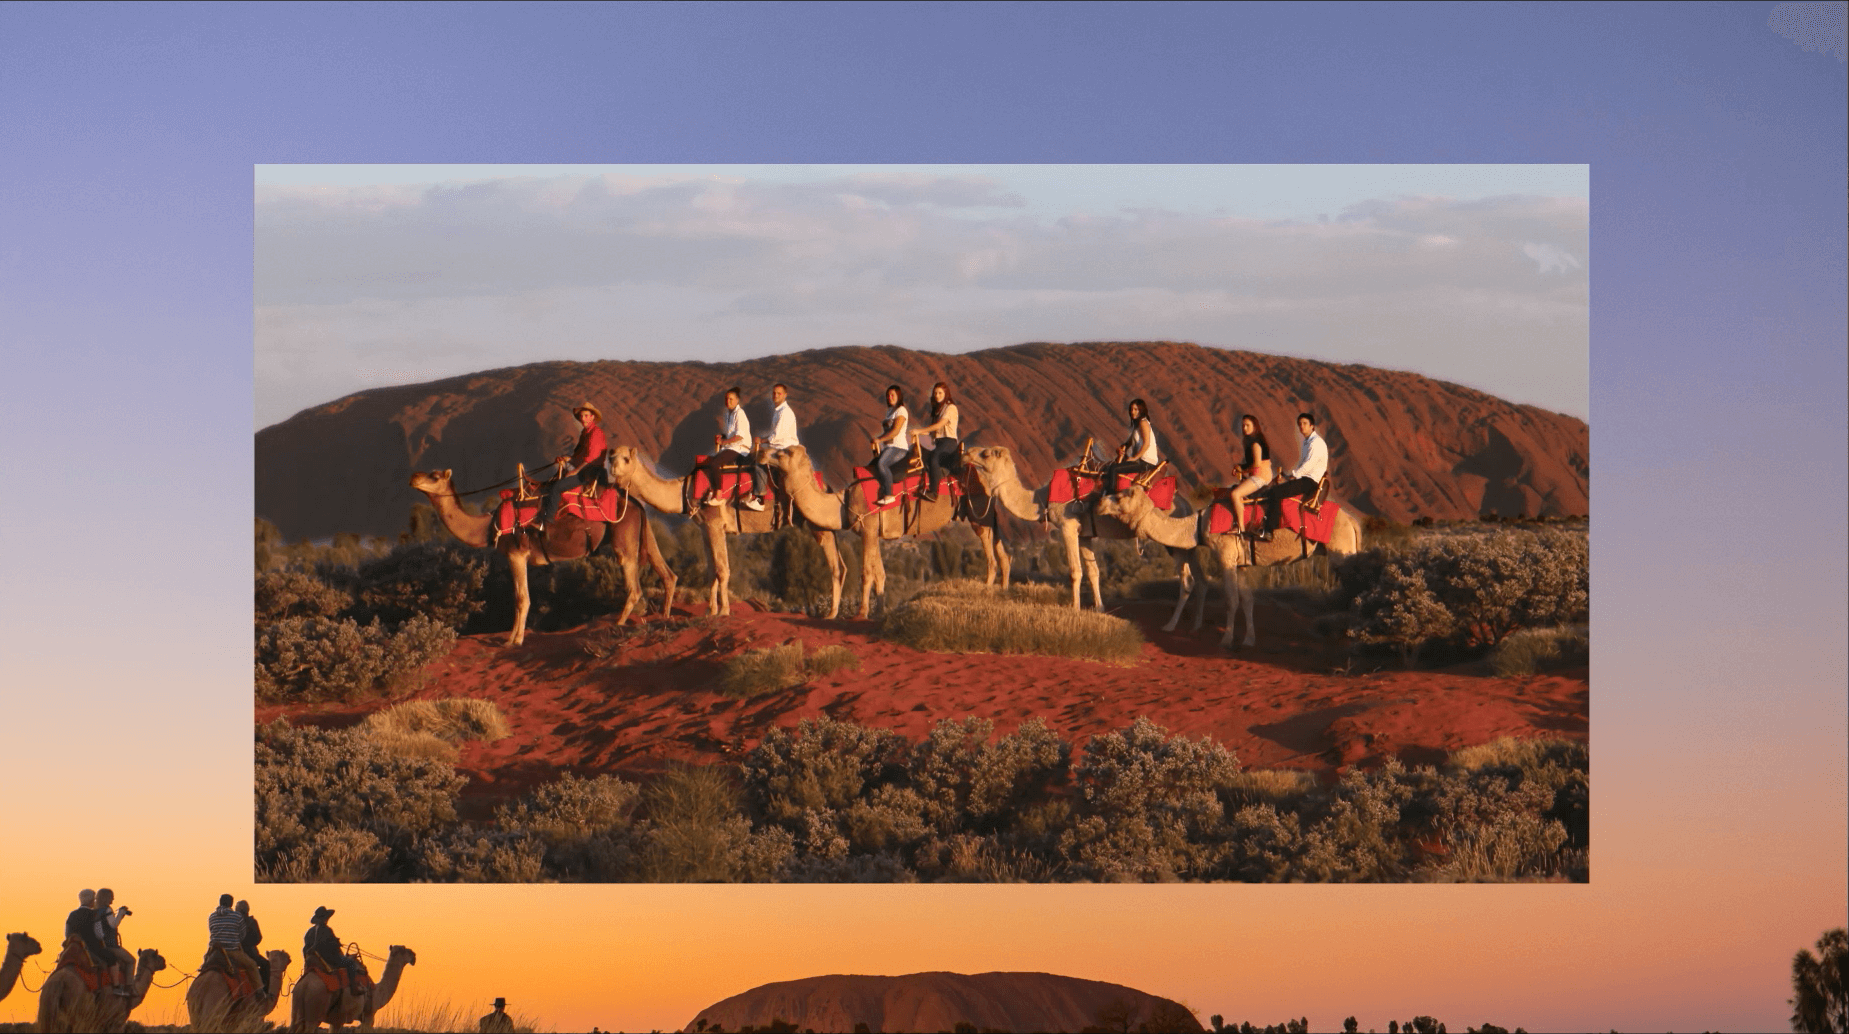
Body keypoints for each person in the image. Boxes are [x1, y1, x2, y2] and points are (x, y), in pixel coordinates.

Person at [1250, 412, 1328, 541]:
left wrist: (1290, 477)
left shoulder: (1316, 443)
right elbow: (1303, 465)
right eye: (1299, 424)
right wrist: (1290, 476)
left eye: (1304, 424)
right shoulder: (1307, 442)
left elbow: (1308, 465)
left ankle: (1269, 531)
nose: (1301, 426)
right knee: (1273, 488)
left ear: (1312, 426)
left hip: (1310, 481)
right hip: (1304, 478)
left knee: (1275, 492)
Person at [700, 386, 765, 510]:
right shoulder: (730, 415)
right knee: (710, 462)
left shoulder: (739, 414)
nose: (728, 401)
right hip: (732, 447)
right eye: (726, 399)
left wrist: (724, 441)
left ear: (737, 400)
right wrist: (723, 438)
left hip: (739, 449)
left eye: (731, 399)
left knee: (715, 464)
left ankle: (718, 495)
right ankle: (710, 491)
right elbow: (732, 434)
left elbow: (739, 436)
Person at [547, 401, 610, 520]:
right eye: (581, 416)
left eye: (586, 416)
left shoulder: (596, 433)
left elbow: (591, 458)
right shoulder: (585, 433)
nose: (583, 419)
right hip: (585, 470)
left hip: (590, 473)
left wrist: (575, 471)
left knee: (556, 487)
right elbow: (579, 456)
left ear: (592, 417)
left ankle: (547, 522)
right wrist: (567, 459)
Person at [912, 381, 961, 502]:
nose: (937, 395)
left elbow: (939, 425)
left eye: (940, 393)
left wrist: (919, 431)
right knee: (922, 457)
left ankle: (934, 493)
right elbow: (931, 432)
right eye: (935, 393)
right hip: (939, 443)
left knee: (934, 458)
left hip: (949, 443)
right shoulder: (938, 410)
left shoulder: (950, 408)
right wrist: (914, 433)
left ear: (946, 393)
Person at [1101, 398, 1159, 494]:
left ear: (1141, 410)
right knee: (1111, 466)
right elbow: (1128, 443)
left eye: (1135, 409)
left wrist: (1134, 458)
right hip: (1140, 460)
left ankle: (1110, 496)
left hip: (1146, 462)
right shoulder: (1137, 427)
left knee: (1114, 469)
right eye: (1131, 409)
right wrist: (1121, 449)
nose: (1132, 412)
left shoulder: (1143, 423)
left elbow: (1147, 444)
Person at [304, 906, 364, 996]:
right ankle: (354, 987)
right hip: (329, 959)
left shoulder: (309, 932)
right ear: (325, 918)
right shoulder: (326, 929)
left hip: (315, 960)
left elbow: (307, 947)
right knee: (351, 963)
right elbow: (329, 946)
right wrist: (337, 943)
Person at [1228, 414, 1274, 532]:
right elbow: (1251, 463)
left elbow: (1257, 465)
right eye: (1243, 425)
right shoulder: (1251, 441)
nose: (1245, 428)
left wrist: (1243, 470)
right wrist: (1240, 467)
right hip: (1258, 475)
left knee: (1235, 494)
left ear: (1255, 426)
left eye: (1248, 425)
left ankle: (1240, 527)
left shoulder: (1255, 443)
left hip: (1261, 477)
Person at [207, 893, 263, 990]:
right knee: (252, 966)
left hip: (213, 951)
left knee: (205, 967)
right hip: (232, 951)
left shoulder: (211, 917)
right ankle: (259, 992)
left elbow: (212, 931)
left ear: (220, 903)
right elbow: (242, 935)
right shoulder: (237, 917)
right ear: (231, 904)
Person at [868, 384, 911, 506]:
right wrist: (877, 440)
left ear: (899, 396)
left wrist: (879, 440)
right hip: (888, 447)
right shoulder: (889, 412)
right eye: (888, 395)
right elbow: (887, 431)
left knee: (882, 464)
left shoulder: (901, 411)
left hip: (898, 448)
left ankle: (889, 494)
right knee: (872, 466)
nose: (890, 397)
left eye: (893, 395)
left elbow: (895, 431)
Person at [93, 888, 134, 996]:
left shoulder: (95, 909)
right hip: (110, 945)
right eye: (111, 896)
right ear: (107, 897)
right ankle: (128, 987)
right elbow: (113, 924)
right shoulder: (107, 910)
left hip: (98, 944)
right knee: (131, 961)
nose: (113, 899)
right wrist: (121, 913)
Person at [236, 899, 270, 989]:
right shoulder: (251, 922)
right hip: (249, 952)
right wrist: (249, 943)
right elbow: (258, 938)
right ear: (247, 910)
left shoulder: (233, 921)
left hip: (232, 950)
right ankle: (263, 990)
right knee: (266, 965)